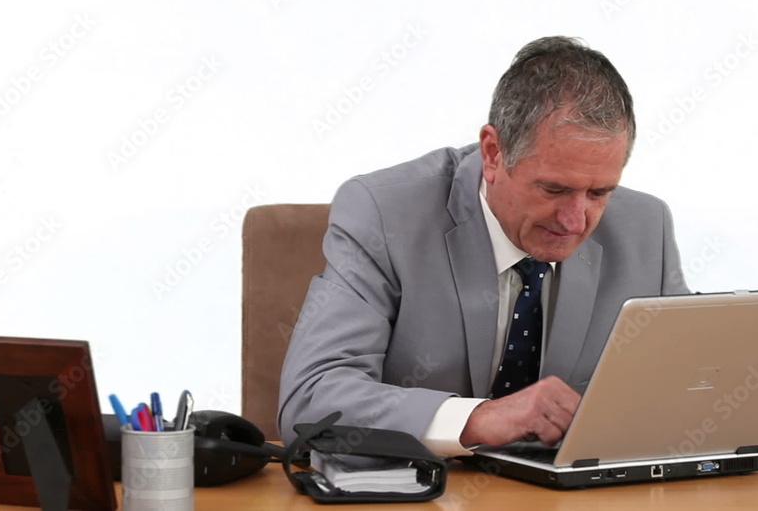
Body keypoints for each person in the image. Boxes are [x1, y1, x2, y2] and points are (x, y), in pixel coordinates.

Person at [278, 36, 688, 456]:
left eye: (599, 193)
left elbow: (689, 390)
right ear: (493, 153)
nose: (575, 220)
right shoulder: (384, 214)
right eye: (554, 188)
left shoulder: (646, 227)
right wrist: (477, 418)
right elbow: (312, 400)